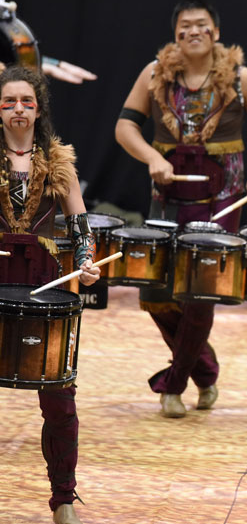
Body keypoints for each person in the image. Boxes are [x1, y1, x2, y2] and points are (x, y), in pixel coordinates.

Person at [114, 0, 247, 418]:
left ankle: (173, 385)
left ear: (216, 33)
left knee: (199, 293)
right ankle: (204, 373)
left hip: (223, 198)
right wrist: (153, 157)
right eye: (185, 26)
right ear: (175, 35)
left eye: (202, 24)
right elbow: (124, 126)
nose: (194, 31)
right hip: (166, 196)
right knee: (154, 293)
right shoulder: (154, 75)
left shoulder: (242, 78)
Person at [0, 66, 100, 524]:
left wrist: (85, 260)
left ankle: (63, 496)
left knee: (59, 398)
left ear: (38, 109)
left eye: (27, 101)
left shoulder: (59, 162)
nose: (18, 109)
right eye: (9, 101)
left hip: (43, 283)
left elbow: (81, 226)